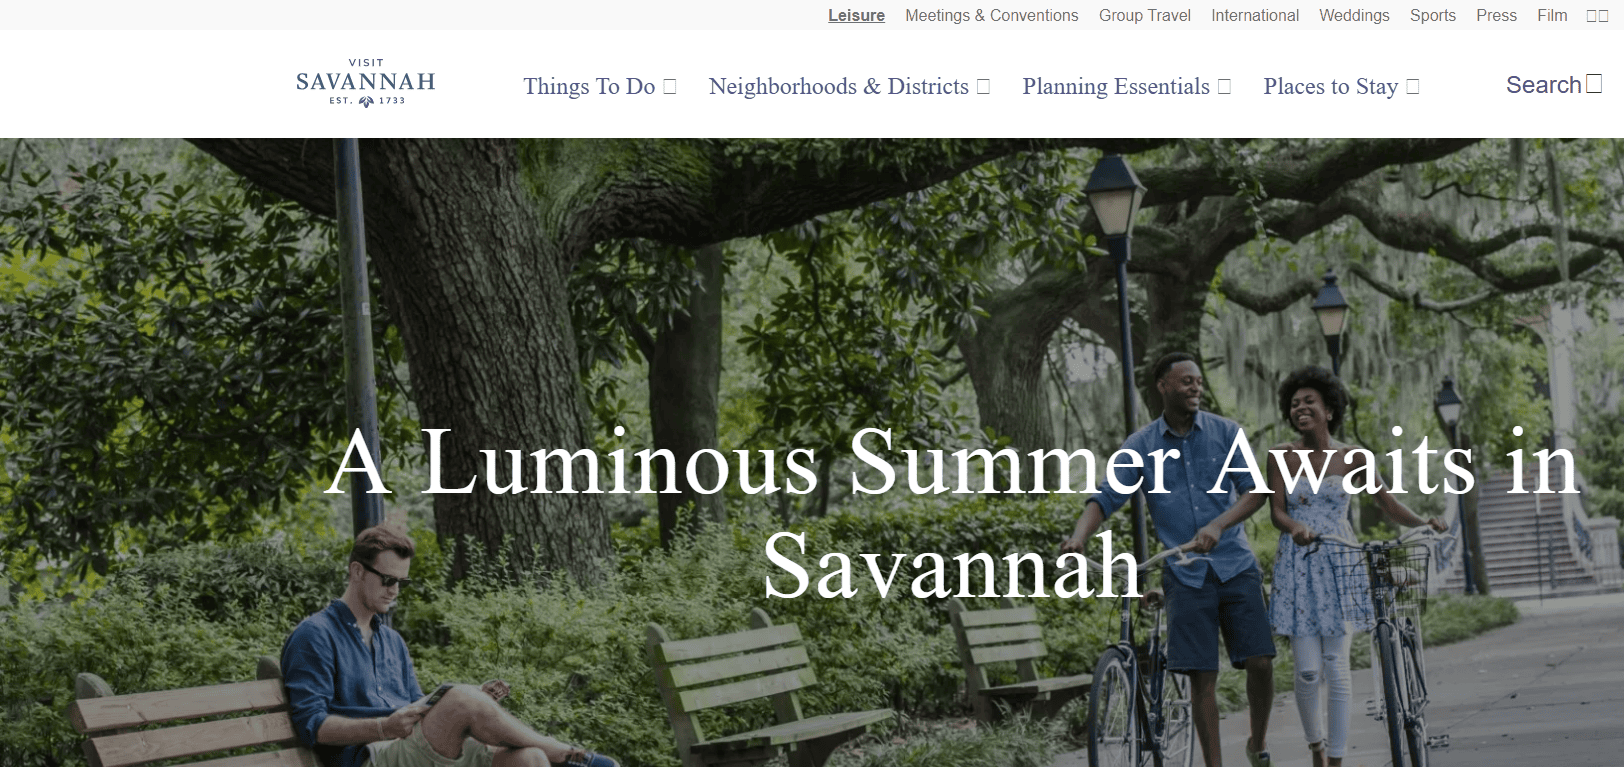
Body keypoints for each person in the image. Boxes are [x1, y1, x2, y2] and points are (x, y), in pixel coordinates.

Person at [1062, 352, 1277, 767]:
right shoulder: (1140, 445)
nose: (1196, 387)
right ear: (1163, 386)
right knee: (1202, 677)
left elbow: (1255, 491)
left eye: (1198, 381)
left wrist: (1218, 526)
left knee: (1261, 662)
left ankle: (1258, 741)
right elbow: (1106, 497)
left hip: (1234, 563)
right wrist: (1077, 538)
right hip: (1184, 572)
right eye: (1186, 382)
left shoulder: (1226, 433)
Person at [282, 524, 620, 767]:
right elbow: (313, 725)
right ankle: (567, 754)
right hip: (369, 756)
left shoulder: (391, 641)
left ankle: (548, 750)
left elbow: (415, 708)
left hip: (410, 748)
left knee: (529, 760)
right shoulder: (315, 635)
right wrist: (383, 726)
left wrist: (471, 705)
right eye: (387, 580)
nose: (394, 590)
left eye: (402, 582)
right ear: (357, 571)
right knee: (461, 699)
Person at [1265, 367, 1446, 767]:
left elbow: (1386, 503)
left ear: (1329, 409)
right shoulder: (1281, 455)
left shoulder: (1354, 457)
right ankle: (1316, 745)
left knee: (1337, 665)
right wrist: (1296, 527)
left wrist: (1423, 522)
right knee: (1308, 671)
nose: (1301, 408)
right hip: (1299, 565)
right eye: (1294, 404)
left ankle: (1337, 759)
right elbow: (1276, 511)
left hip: (1341, 561)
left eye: (1309, 401)